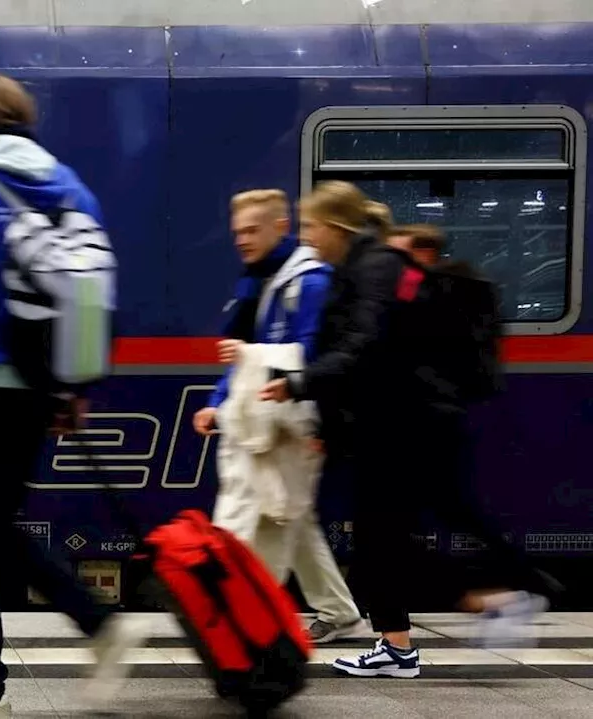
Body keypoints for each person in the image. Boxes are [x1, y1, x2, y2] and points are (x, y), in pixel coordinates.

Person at [0, 73, 146, 719]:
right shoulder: (68, 184)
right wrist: (71, 386)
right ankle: (95, 621)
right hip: (39, 388)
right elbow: (93, 289)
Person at [259, 181, 554, 679]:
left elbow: (364, 346)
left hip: (407, 426)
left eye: (309, 225)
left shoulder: (373, 267)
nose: (305, 236)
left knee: (388, 540)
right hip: (391, 424)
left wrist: (299, 384)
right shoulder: (359, 267)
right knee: (388, 538)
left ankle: (507, 596)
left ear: (334, 226)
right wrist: (330, 421)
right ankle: (400, 645)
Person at [194, 189, 362, 645]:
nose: (242, 241)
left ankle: (251, 624)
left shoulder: (308, 282)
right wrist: (217, 400)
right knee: (295, 517)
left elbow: (309, 353)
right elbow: (242, 356)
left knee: (270, 520)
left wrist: (248, 357)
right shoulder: (262, 281)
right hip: (270, 419)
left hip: (294, 423)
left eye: (252, 230)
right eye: (238, 232)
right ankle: (340, 614)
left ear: (279, 227)